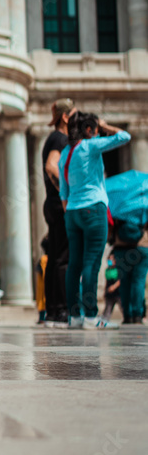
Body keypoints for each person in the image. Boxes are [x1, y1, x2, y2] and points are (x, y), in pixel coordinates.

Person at [59, 112, 130, 328]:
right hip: (93, 209)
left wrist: (70, 211)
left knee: (74, 265)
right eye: (94, 128)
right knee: (91, 262)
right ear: (89, 130)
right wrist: (106, 125)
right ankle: (91, 316)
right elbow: (124, 137)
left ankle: (74, 316)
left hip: (71, 211)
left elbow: (63, 191)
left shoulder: (65, 153)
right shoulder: (90, 145)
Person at [42, 98, 76, 325]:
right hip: (58, 203)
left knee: (55, 257)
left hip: (51, 203)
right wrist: (67, 193)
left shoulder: (52, 138)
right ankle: (62, 310)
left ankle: (53, 311)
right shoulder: (61, 138)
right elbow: (51, 165)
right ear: (65, 117)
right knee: (63, 258)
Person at [113, 227, 148, 325]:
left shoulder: (118, 210)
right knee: (139, 281)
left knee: (124, 282)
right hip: (142, 244)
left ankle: (127, 315)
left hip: (121, 243)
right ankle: (137, 315)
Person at [102, 254, 122, 321]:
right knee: (108, 309)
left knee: (122, 307)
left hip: (118, 292)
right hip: (109, 293)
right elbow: (107, 282)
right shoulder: (107, 270)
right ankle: (104, 321)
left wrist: (114, 287)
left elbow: (120, 280)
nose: (110, 261)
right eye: (109, 259)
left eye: (111, 259)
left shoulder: (118, 269)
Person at [35, 236, 48, 325]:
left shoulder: (42, 259)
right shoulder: (46, 259)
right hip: (44, 285)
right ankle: (42, 318)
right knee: (43, 301)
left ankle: (42, 318)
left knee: (41, 302)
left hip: (42, 286)